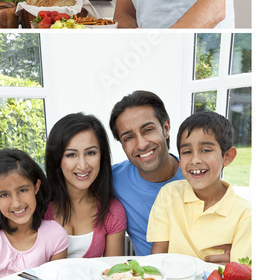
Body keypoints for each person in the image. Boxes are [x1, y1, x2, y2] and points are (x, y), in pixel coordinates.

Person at [148, 111, 251, 263]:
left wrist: (227, 269)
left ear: (227, 157)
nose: (195, 160)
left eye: (206, 150)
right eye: (187, 152)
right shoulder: (168, 194)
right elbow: (157, 260)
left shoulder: (245, 214)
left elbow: (241, 276)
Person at [0, 149, 68, 280]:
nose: (16, 203)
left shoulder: (55, 235)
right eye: (4, 195)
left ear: (36, 187)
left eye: (23, 190)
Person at [110, 90, 185, 256]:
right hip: (150, 278)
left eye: (148, 130)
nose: (142, 144)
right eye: (128, 137)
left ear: (166, 128)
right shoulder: (113, 179)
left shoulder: (197, 175)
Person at [44, 113, 128, 258]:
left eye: (91, 153)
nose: (82, 165)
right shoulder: (38, 208)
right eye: (71, 155)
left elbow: (113, 274)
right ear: (57, 159)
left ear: (102, 156)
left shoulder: (112, 211)